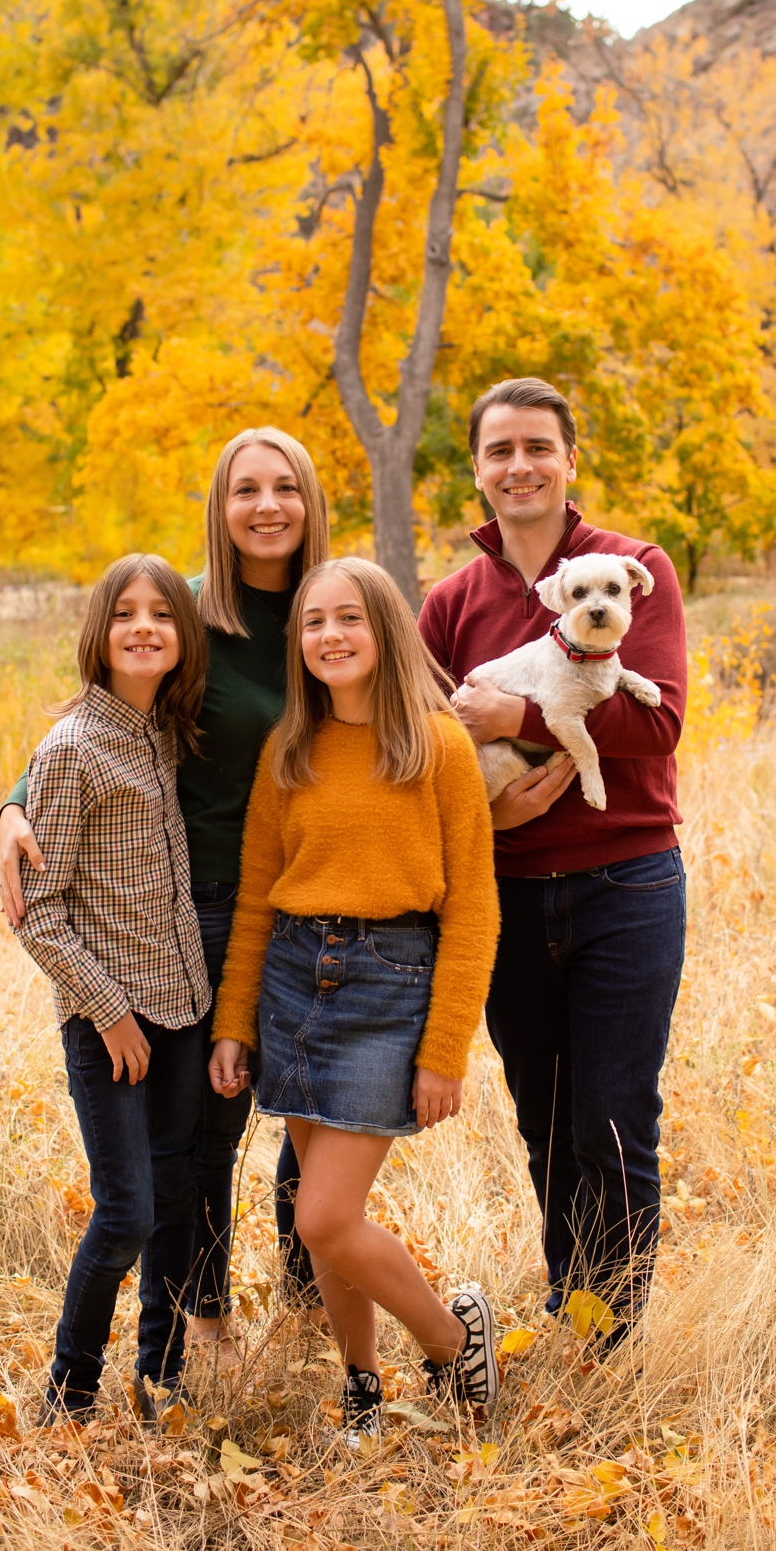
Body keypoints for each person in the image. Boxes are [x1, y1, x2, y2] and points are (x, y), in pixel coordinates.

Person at [0, 428, 333, 1351]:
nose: (267, 507)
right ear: (219, 510)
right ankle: (205, 1314)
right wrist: (14, 804)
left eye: (285, 488)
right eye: (245, 490)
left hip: (319, 905)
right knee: (210, 1133)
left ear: (311, 502)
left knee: (313, 1110)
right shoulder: (184, 610)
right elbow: (88, 722)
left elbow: (419, 720)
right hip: (210, 906)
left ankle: (307, 1304)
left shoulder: (334, 613)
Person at [207, 557, 504, 1443]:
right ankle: (362, 1383)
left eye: (349, 619)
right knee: (330, 1229)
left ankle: (454, 1343)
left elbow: (475, 908)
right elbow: (258, 895)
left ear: (386, 630)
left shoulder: (435, 743)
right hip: (293, 983)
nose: (330, 637)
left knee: (322, 1218)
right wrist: (233, 1023)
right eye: (312, 624)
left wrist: (445, 1049)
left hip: (390, 985)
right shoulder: (289, 749)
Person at [417, 377, 689, 1337]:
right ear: (480, 474)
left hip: (628, 883)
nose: (519, 465)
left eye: (539, 446)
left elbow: (659, 729)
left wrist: (520, 716)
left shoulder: (632, 568)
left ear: (571, 462)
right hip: (510, 896)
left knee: (615, 1118)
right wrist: (480, 813)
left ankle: (611, 1334)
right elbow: (426, 744)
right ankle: (570, 1301)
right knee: (545, 1116)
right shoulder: (451, 604)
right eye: (500, 451)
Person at [11, 554, 213, 1423]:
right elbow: (38, 913)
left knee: (178, 1200)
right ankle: (70, 1392)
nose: (143, 628)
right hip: (112, 1025)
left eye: (161, 615)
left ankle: (160, 1375)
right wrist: (110, 1012)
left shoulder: (165, 731)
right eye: (125, 614)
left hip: (185, 1007)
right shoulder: (71, 751)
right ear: (99, 633)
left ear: (182, 635)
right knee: (127, 1208)